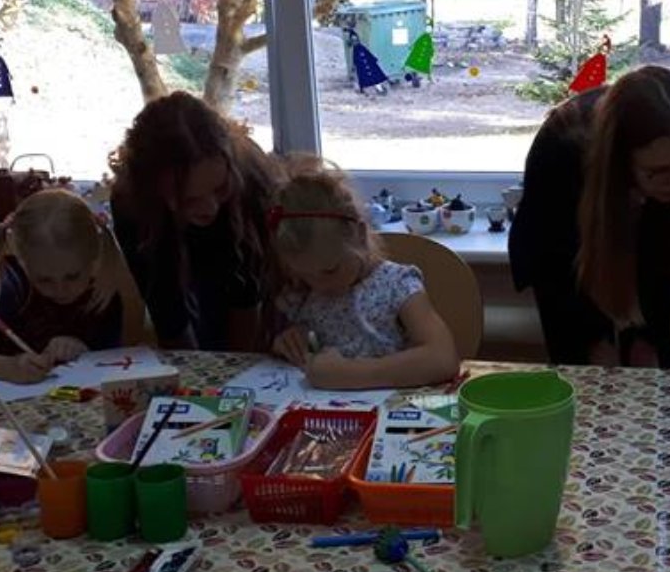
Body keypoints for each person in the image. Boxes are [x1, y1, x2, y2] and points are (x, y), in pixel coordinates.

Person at [509, 65, 670, 368]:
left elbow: (668, 248)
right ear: (619, 162)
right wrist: (594, 338)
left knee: (661, 368)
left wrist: (649, 338)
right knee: (586, 372)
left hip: (658, 249)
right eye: (659, 172)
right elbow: (554, 265)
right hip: (565, 260)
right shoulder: (562, 150)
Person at [268, 159, 459, 391]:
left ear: (359, 235)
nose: (320, 285)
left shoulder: (396, 285)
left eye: (330, 270)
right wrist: (291, 342)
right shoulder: (300, 293)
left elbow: (443, 359)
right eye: (305, 275)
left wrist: (348, 374)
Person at [109, 93, 279, 352]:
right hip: (167, 242)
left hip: (244, 258)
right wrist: (192, 370)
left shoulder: (249, 180)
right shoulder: (131, 202)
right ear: (153, 189)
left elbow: (247, 295)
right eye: (189, 199)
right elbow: (164, 307)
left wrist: (239, 369)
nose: (209, 208)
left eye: (218, 189)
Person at [0, 189, 128, 384]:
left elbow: (112, 361)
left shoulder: (102, 295)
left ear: (93, 258)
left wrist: (84, 352)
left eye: (73, 277)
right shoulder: (8, 288)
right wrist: (7, 367)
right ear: (23, 261)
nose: (60, 290)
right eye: (44, 280)